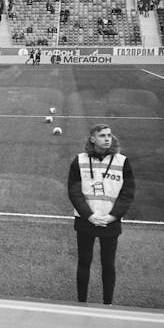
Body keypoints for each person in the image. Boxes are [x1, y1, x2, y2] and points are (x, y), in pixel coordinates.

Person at [68, 124, 135, 305]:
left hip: (110, 222)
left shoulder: (122, 161)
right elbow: (74, 192)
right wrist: (89, 215)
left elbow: (127, 194)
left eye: (109, 135)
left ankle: (108, 304)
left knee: (108, 265)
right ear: (92, 138)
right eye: (102, 135)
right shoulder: (79, 160)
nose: (107, 139)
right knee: (84, 263)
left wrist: (113, 216)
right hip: (86, 221)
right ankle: (81, 303)